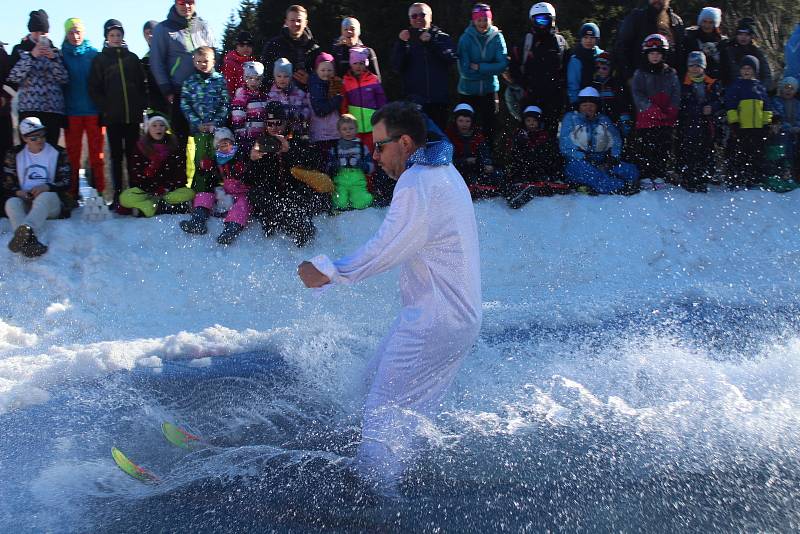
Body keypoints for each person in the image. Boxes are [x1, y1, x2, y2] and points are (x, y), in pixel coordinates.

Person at [297, 101, 482, 491]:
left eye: (380, 145)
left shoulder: (419, 183)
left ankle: (377, 501)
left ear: (407, 142)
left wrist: (328, 271)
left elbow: (387, 247)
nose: (374, 154)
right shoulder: (443, 170)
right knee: (376, 396)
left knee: (383, 418)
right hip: (451, 319)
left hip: (433, 321)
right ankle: (403, 476)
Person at [88, 20, 147, 211]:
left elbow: (142, 85)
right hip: (112, 117)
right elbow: (94, 87)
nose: (115, 38)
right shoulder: (100, 59)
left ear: (123, 37)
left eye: (118, 35)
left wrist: (141, 106)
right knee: (115, 158)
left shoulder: (132, 58)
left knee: (133, 157)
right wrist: (105, 107)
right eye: (112, 35)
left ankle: (134, 194)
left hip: (132, 117)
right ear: (106, 37)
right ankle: (118, 196)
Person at [245, 102, 320, 247]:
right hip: (272, 193)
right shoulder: (262, 143)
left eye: (278, 123)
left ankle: (284, 222)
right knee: (255, 194)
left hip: (293, 190)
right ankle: (289, 223)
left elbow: (313, 162)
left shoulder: (295, 138)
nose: (274, 127)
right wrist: (253, 160)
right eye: (270, 124)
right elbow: (250, 179)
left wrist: (289, 150)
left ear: (285, 122)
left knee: (302, 197)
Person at [3, 117, 71, 257]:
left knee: (46, 196)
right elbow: (7, 184)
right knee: (11, 202)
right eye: (33, 138)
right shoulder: (14, 154)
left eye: (42, 135)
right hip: (26, 202)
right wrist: (19, 192)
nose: (39, 140)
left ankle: (26, 231)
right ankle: (28, 243)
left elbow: (66, 181)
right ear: (24, 138)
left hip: (50, 204)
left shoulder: (58, 152)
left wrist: (47, 186)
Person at [149, 0, 215, 142]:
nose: (186, 6)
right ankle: (178, 164)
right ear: (175, 4)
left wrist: (214, 82)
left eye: (190, 2)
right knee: (180, 140)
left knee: (205, 139)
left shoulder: (203, 26)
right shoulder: (163, 29)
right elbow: (156, 62)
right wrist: (166, 88)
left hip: (204, 92)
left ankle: (205, 165)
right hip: (179, 91)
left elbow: (213, 55)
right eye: (181, 2)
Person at [560, 87, 639, 195]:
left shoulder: (603, 119)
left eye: (591, 105)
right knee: (589, 173)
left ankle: (616, 181)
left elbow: (616, 140)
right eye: (584, 105)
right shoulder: (571, 118)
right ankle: (618, 186)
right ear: (579, 106)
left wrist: (613, 157)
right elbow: (565, 145)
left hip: (602, 161)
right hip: (578, 161)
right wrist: (583, 157)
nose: (588, 108)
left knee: (630, 170)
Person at [391, 3, 457, 130]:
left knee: (438, 141)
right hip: (414, 102)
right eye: (414, 16)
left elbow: (451, 58)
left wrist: (432, 42)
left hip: (438, 101)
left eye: (422, 15)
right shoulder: (405, 40)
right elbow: (396, 66)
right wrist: (401, 44)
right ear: (410, 19)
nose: (418, 18)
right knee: (417, 143)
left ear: (430, 17)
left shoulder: (441, 37)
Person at [7, 10, 69, 148]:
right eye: (36, 32)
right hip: (29, 109)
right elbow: (13, 77)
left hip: (53, 110)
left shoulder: (56, 52)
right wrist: (31, 56)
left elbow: (64, 79)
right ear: (30, 31)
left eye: (43, 33)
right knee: (28, 150)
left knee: (52, 150)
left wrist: (53, 60)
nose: (39, 35)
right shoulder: (20, 49)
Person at [180, 128, 250, 245]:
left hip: (238, 193)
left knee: (243, 204)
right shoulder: (216, 161)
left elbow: (249, 177)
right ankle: (198, 220)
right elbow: (211, 179)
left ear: (233, 143)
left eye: (227, 144)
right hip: (224, 194)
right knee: (205, 193)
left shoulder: (240, 156)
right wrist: (205, 169)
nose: (225, 147)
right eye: (221, 145)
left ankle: (231, 229)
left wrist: (242, 171)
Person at [61, 18, 105, 198]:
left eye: (78, 31)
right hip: (71, 112)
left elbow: (103, 82)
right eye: (71, 32)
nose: (75, 35)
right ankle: (72, 194)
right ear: (66, 34)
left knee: (97, 155)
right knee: (72, 156)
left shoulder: (93, 54)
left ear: (84, 33)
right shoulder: (61, 54)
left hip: (94, 111)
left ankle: (100, 192)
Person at [120, 113, 194, 217]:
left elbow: (180, 172)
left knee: (189, 193)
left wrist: (167, 187)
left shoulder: (174, 145)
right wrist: (151, 186)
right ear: (148, 128)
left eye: (161, 125)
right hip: (147, 192)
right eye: (154, 126)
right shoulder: (140, 147)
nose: (158, 128)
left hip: (168, 192)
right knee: (124, 197)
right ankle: (151, 206)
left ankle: (158, 206)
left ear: (166, 128)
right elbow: (136, 173)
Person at [507, 2, 567, 131]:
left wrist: (561, 88)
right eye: (538, 20)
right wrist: (524, 85)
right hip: (530, 97)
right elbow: (514, 66)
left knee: (551, 132)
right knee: (529, 132)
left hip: (553, 98)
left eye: (545, 20)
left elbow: (566, 68)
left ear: (552, 20)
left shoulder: (560, 43)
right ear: (532, 21)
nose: (542, 24)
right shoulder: (526, 42)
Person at [631, 34, 680, 190]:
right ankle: (646, 174)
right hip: (646, 119)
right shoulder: (640, 73)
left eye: (658, 53)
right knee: (646, 148)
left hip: (666, 118)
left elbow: (676, 92)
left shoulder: (670, 73)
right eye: (652, 53)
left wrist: (672, 109)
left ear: (663, 55)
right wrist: (650, 109)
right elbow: (637, 93)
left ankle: (660, 173)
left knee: (663, 147)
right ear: (646, 55)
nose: (654, 56)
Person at [456, 3, 508, 145]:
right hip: (468, 91)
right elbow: (465, 71)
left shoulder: (497, 37)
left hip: (489, 90)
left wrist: (479, 67)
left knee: (490, 127)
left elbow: (503, 65)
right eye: (479, 20)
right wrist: (490, 70)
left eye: (485, 19)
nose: (482, 23)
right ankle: (465, 159)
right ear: (474, 21)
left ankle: (488, 161)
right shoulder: (465, 38)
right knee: (465, 128)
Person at [180, 46, 230, 186]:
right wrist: (197, 123)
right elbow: (185, 105)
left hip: (218, 132)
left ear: (213, 62)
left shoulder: (220, 80)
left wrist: (216, 122)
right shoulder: (189, 82)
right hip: (198, 132)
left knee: (220, 161)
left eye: (206, 61)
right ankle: (202, 193)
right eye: (199, 61)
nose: (203, 64)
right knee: (201, 162)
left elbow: (225, 103)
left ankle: (221, 192)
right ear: (194, 62)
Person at [725, 55, 774, 188]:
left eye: (749, 69)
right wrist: (734, 123)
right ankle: (737, 179)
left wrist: (766, 124)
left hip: (757, 129)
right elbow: (731, 106)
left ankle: (754, 179)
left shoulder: (760, 87)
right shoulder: (737, 86)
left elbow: (767, 107)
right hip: (741, 128)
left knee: (756, 155)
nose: (746, 71)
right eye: (744, 68)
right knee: (740, 155)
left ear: (755, 71)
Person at [676, 51, 722, 192]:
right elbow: (681, 105)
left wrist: (712, 108)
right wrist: (697, 109)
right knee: (690, 152)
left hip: (706, 125)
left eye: (698, 65)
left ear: (703, 67)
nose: (695, 68)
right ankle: (689, 179)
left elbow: (719, 101)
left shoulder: (711, 84)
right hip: (689, 125)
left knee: (706, 152)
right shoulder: (683, 84)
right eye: (692, 65)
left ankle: (703, 178)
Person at [504, 105, 565, 208]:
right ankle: (516, 194)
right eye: (528, 120)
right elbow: (514, 153)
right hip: (524, 166)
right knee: (515, 178)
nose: (531, 123)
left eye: (534, 120)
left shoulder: (544, 136)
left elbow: (550, 154)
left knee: (544, 176)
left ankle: (535, 187)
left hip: (539, 166)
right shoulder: (519, 135)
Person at [613, 0, 685, 83]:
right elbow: (621, 49)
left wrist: (679, 80)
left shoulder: (676, 22)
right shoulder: (635, 19)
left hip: (668, 85)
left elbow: (681, 54)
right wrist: (629, 76)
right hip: (641, 83)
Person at [446, 103, 502, 198]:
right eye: (461, 121)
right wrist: (464, 161)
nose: (464, 124)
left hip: (475, 167)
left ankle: (483, 188)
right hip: (457, 168)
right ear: (455, 121)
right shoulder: (449, 136)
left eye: (467, 121)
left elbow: (484, 152)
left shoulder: (477, 136)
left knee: (496, 173)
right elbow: (448, 159)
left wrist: (486, 163)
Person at [261, 5, 320, 88]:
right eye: (292, 20)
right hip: (279, 96)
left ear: (306, 23)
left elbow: (323, 75)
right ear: (286, 22)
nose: (296, 23)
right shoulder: (273, 45)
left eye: (299, 20)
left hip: (307, 96)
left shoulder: (314, 49)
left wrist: (310, 79)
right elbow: (265, 72)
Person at [341, 47, 386, 149]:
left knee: (372, 154)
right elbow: (344, 103)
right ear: (351, 64)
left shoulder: (373, 80)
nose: (358, 66)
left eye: (361, 63)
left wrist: (382, 119)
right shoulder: (345, 81)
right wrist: (345, 119)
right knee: (357, 153)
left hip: (372, 126)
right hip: (353, 128)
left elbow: (381, 101)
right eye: (355, 63)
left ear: (366, 64)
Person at [328, 114, 373, 210]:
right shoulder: (335, 148)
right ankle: (339, 209)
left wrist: (359, 164)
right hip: (340, 181)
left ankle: (365, 204)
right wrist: (338, 164)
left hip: (357, 180)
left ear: (356, 129)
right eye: (344, 129)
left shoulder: (361, 147)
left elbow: (371, 166)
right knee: (340, 202)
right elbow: (329, 167)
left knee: (361, 202)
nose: (348, 131)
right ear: (339, 131)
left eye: (351, 128)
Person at [720, 18, 771, 89]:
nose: (743, 37)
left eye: (747, 35)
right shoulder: (728, 50)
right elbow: (724, 73)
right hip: (734, 91)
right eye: (740, 34)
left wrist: (761, 88)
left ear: (751, 36)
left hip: (755, 89)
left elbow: (766, 74)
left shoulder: (756, 51)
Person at [308, 53, 343, 155]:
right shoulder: (316, 87)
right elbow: (320, 110)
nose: (326, 73)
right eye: (323, 70)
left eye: (329, 70)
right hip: (321, 135)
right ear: (317, 71)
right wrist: (337, 100)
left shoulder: (334, 84)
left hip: (334, 133)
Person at [591, 52, 633, 137]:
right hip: (598, 122)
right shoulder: (594, 84)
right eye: (598, 68)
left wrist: (624, 119)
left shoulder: (615, 84)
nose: (601, 71)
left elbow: (622, 103)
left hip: (614, 121)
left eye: (604, 68)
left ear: (610, 69)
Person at [267, 58, 311, 136]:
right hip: (279, 132)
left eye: (286, 76)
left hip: (296, 132)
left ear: (290, 77)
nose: (282, 79)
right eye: (279, 76)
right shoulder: (271, 95)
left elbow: (307, 108)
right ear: (275, 77)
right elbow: (270, 114)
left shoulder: (298, 93)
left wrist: (300, 116)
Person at [230, 61, 269, 148]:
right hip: (246, 139)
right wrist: (242, 138)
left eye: (257, 79)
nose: (253, 82)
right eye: (250, 78)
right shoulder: (241, 97)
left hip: (261, 138)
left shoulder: (263, 96)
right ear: (245, 78)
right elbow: (238, 119)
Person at [681, 7, 727, 80]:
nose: (707, 25)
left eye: (711, 22)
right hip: (694, 78)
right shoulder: (691, 38)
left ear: (715, 24)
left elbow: (725, 64)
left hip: (715, 79)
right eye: (704, 21)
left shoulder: (722, 42)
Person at [567, 23, 603, 106]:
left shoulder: (602, 55)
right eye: (585, 38)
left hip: (601, 98)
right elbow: (573, 84)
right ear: (581, 39)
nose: (588, 41)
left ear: (597, 39)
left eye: (592, 38)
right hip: (583, 100)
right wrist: (575, 103)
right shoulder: (576, 58)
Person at [141, 20, 171, 116]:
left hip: (172, 98)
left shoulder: (171, 52)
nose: (150, 36)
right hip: (156, 106)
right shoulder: (145, 59)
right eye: (147, 33)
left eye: (152, 32)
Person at [772, 77, 800, 176]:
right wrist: (789, 128)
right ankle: (784, 172)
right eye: (786, 87)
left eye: (792, 88)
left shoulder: (797, 103)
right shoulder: (776, 101)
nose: (789, 90)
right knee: (786, 148)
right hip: (782, 133)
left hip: (795, 133)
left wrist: (797, 127)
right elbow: (777, 118)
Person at [222, 31, 255, 95]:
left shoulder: (254, 63)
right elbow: (228, 88)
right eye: (242, 45)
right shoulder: (229, 64)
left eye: (249, 44)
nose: (245, 47)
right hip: (237, 101)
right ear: (236, 47)